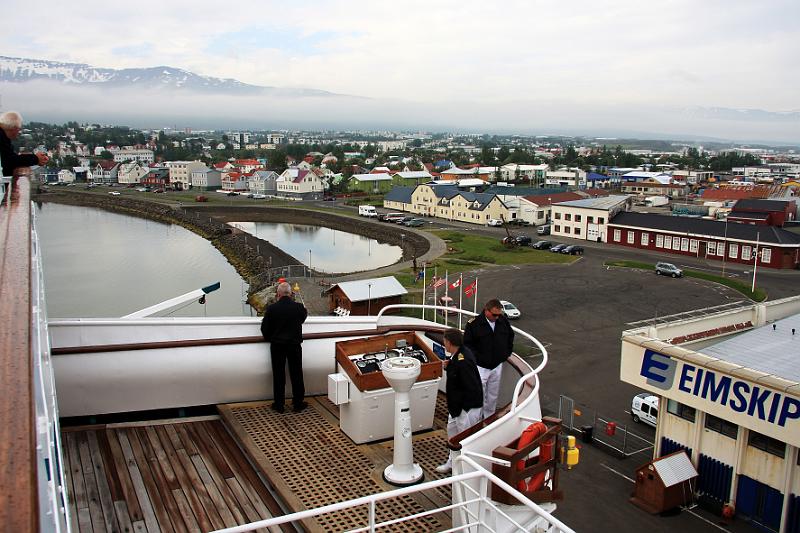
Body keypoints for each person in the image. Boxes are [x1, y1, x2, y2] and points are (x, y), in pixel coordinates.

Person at [436, 328, 483, 474]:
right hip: (456, 408)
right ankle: (452, 462)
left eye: (445, 341)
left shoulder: (463, 361)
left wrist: (464, 410)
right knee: (453, 436)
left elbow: (471, 386)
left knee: (465, 440)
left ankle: (465, 470)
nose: (444, 344)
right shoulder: (458, 356)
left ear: (449, 343)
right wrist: (449, 365)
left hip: (465, 409)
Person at [260, 281, 308, 413]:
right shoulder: (299, 308)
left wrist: (271, 339)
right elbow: (303, 317)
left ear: (278, 294)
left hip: (277, 346)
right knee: (297, 374)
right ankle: (298, 403)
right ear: (291, 294)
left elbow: (264, 329)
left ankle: (279, 405)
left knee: (278, 375)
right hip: (294, 345)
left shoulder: (271, 309)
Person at [463, 298, 515, 420]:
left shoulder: (502, 321)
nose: (496, 317)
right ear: (486, 310)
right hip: (480, 366)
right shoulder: (474, 324)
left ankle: (489, 417)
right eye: (494, 314)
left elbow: (510, 337)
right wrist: (477, 359)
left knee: (493, 395)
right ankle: (475, 420)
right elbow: (467, 344)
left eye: (498, 314)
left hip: (497, 365)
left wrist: (506, 353)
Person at [0, 111, 48, 177]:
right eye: (19, 129)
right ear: (14, 128)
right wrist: (35, 158)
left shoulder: (4, 137)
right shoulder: (2, 138)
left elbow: (9, 158)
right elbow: (9, 161)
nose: (19, 132)